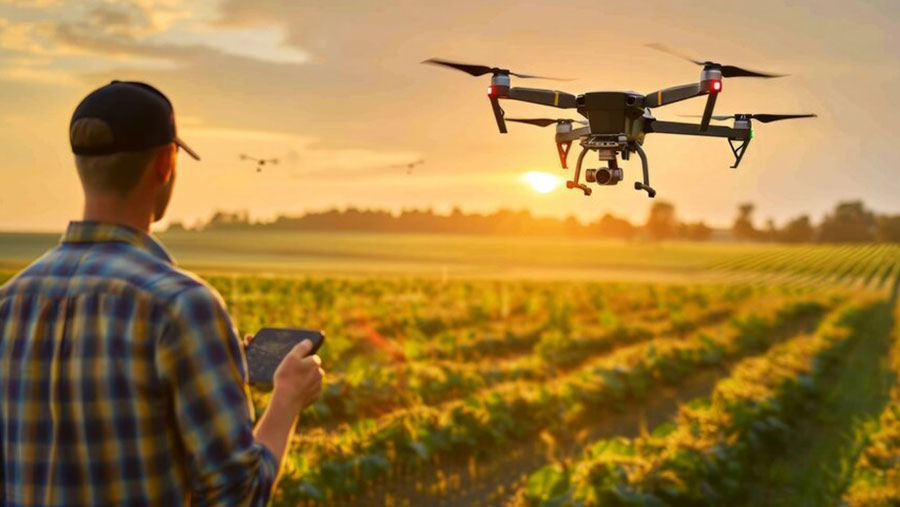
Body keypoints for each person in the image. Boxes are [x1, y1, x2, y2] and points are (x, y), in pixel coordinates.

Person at [0, 81, 323, 505]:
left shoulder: (8, 302)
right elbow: (236, 496)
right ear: (165, 163)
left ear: (82, 166)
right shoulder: (180, 306)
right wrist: (286, 400)